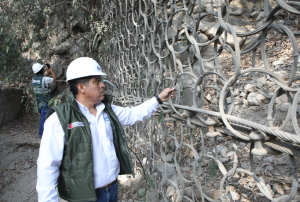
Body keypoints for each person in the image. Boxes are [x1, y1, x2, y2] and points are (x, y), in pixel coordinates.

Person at [36, 57, 175, 202]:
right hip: (84, 196)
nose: (102, 85)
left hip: (111, 189)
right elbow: (47, 166)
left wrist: (158, 99)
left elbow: (133, 114)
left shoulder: (107, 110)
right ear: (81, 87)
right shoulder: (59, 119)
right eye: (96, 81)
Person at [32, 63, 57, 139]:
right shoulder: (45, 79)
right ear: (42, 70)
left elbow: (43, 80)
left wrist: (47, 73)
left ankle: (45, 131)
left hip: (38, 101)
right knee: (44, 117)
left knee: (43, 116)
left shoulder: (34, 79)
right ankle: (40, 134)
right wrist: (52, 71)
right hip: (45, 101)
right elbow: (54, 79)